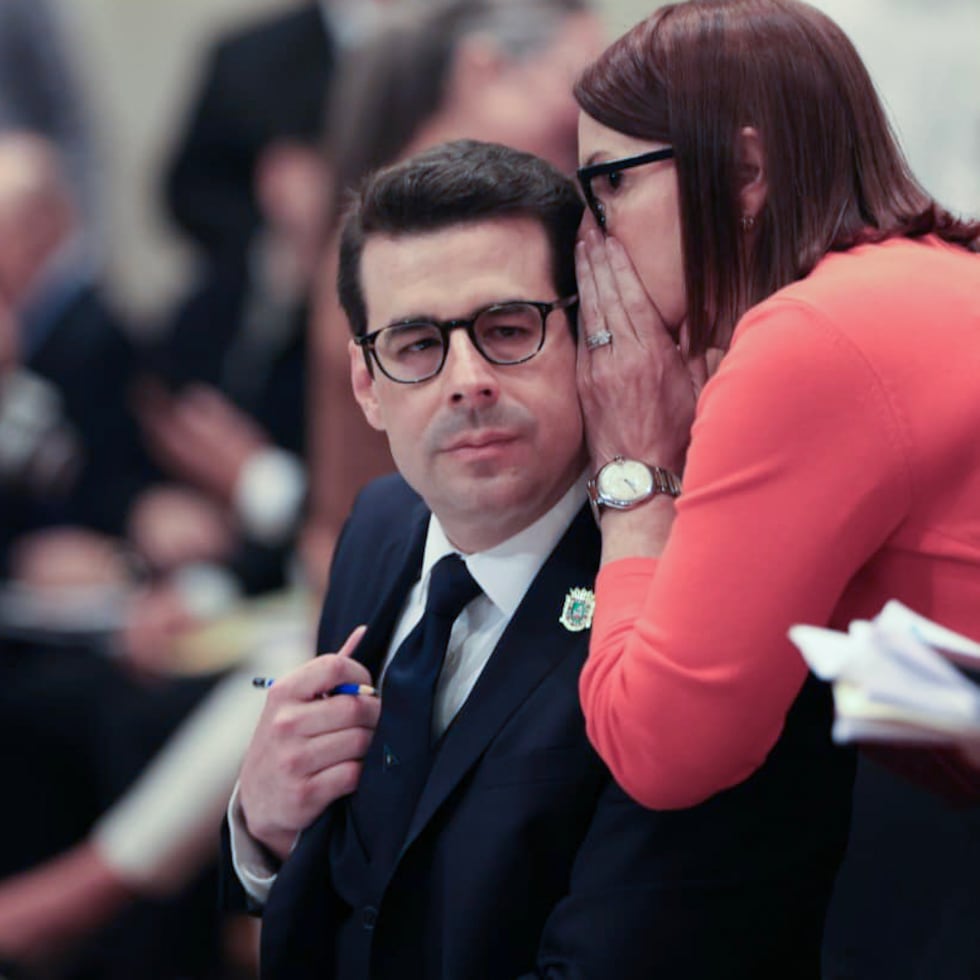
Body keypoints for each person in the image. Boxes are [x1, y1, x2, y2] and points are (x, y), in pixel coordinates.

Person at [225, 139, 851, 980]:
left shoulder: (702, 582)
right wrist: (263, 828)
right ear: (367, 385)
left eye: (508, 329)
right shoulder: (377, 526)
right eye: (416, 347)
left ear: (591, 335)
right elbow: (352, 902)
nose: (468, 379)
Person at [571, 0, 979, 809]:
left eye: (611, 182)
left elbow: (665, 752)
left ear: (744, 172)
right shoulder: (929, 273)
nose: (595, 235)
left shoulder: (807, 339)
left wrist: (636, 476)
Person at [302, 0, 603, 591]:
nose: (590, 133)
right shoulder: (387, 248)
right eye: (575, 99)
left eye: (507, 329)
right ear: (484, 68)